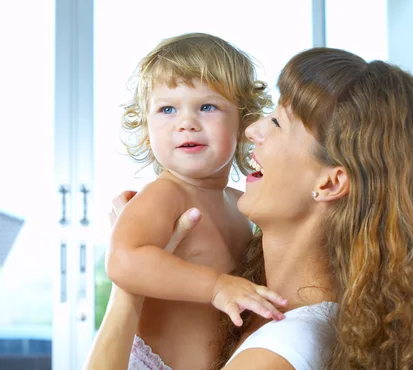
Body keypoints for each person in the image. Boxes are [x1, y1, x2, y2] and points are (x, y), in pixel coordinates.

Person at [86, 46, 413, 370]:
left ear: (330, 182)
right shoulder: (339, 324)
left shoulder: (277, 350)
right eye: (166, 109)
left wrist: (130, 293)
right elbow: (128, 260)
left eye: (276, 122)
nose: (252, 130)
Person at [100, 33, 287, 370]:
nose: (186, 123)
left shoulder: (240, 204)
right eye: (167, 109)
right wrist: (215, 287)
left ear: (244, 122)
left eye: (207, 106)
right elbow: (123, 261)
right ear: (146, 128)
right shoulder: (165, 194)